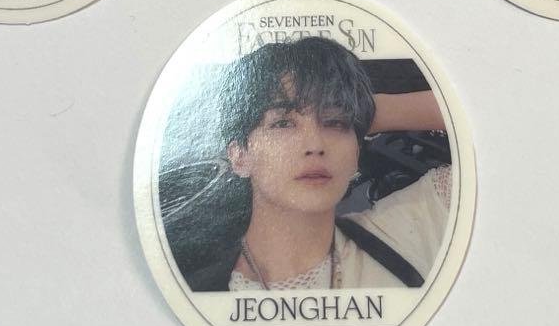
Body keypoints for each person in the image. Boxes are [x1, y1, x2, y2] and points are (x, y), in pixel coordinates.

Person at [159, 37, 451, 292]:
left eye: (334, 122)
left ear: (356, 150)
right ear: (239, 156)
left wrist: (365, 110)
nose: (315, 145)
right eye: (283, 123)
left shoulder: (409, 226)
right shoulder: (193, 289)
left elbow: (478, 114)